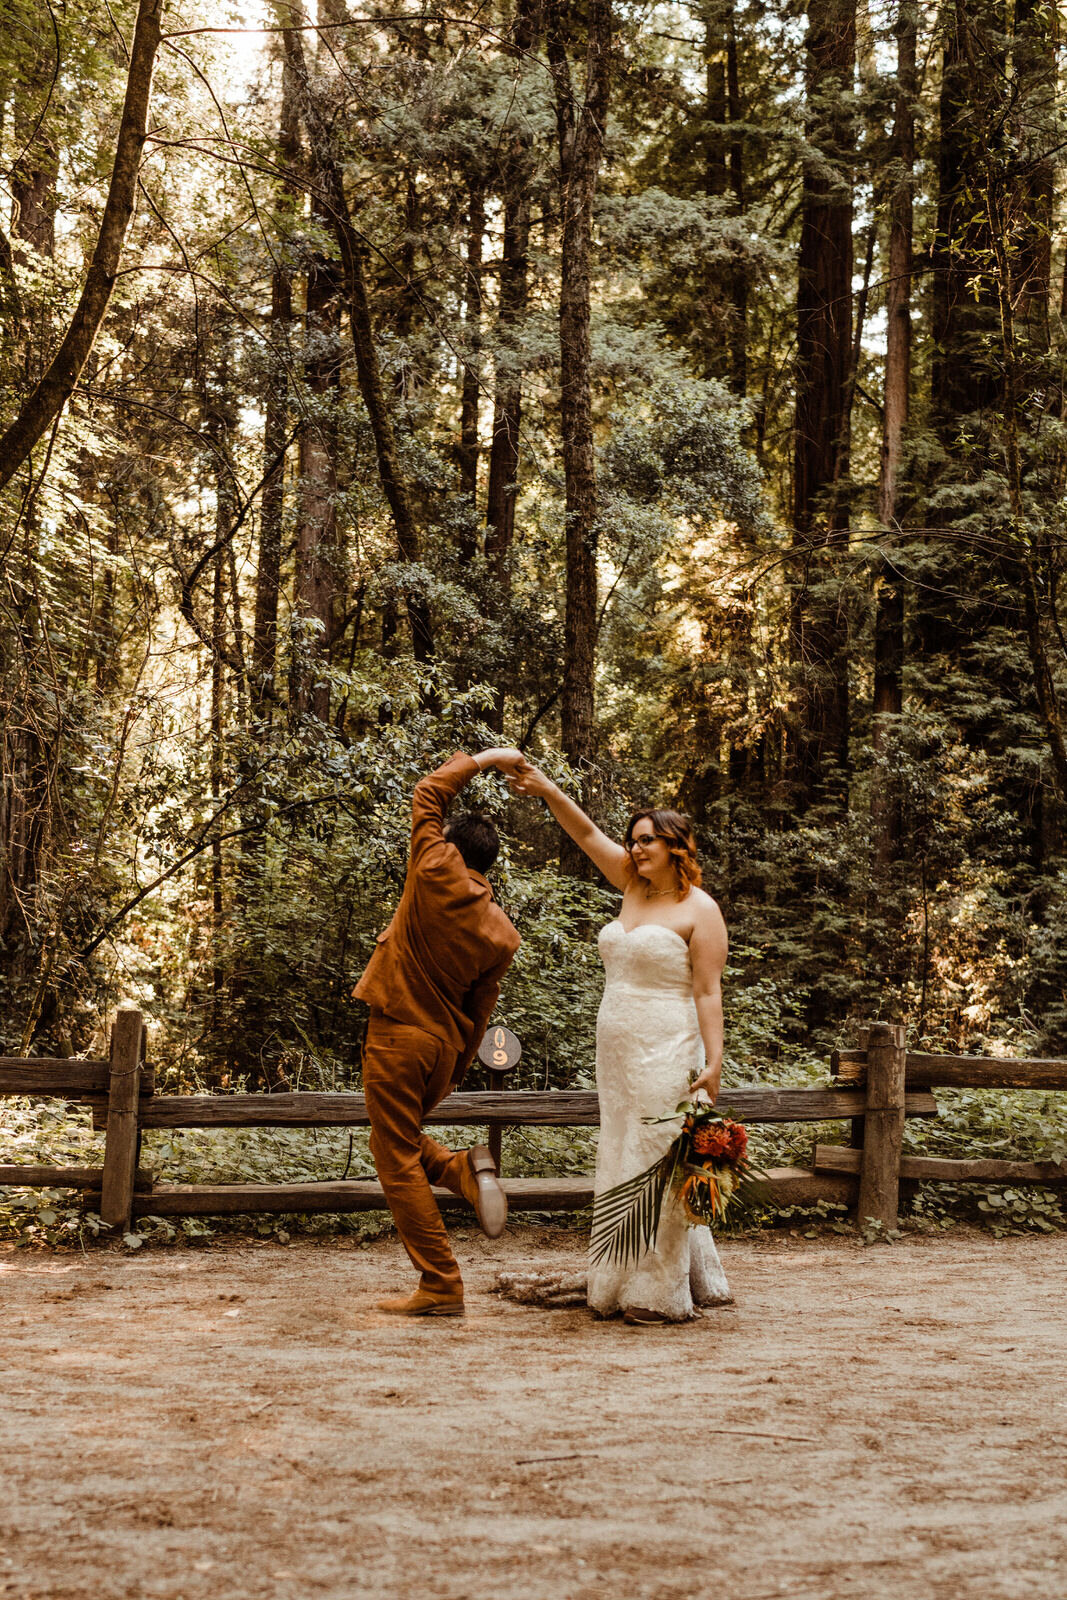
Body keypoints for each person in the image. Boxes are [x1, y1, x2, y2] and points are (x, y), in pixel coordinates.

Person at [507, 765, 732, 1323]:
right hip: (617, 1051)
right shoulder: (630, 884)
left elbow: (707, 992)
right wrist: (548, 790)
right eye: (632, 841)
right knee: (620, 1151)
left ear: (676, 845)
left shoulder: (699, 909)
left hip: (669, 1046)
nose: (635, 849)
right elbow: (585, 835)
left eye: (646, 840)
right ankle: (621, 1275)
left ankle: (657, 1290)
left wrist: (714, 1061)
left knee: (657, 1155)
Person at [353, 748, 526, 1316]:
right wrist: (456, 1070)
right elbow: (481, 1009)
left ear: (452, 845)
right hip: (443, 1050)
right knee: (394, 1139)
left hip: (397, 1033)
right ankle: (460, 1170)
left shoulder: (433, 867)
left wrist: (487, 758)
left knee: (395, 1158)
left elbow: (428, 792)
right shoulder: (502, 932)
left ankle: (441, 1284)